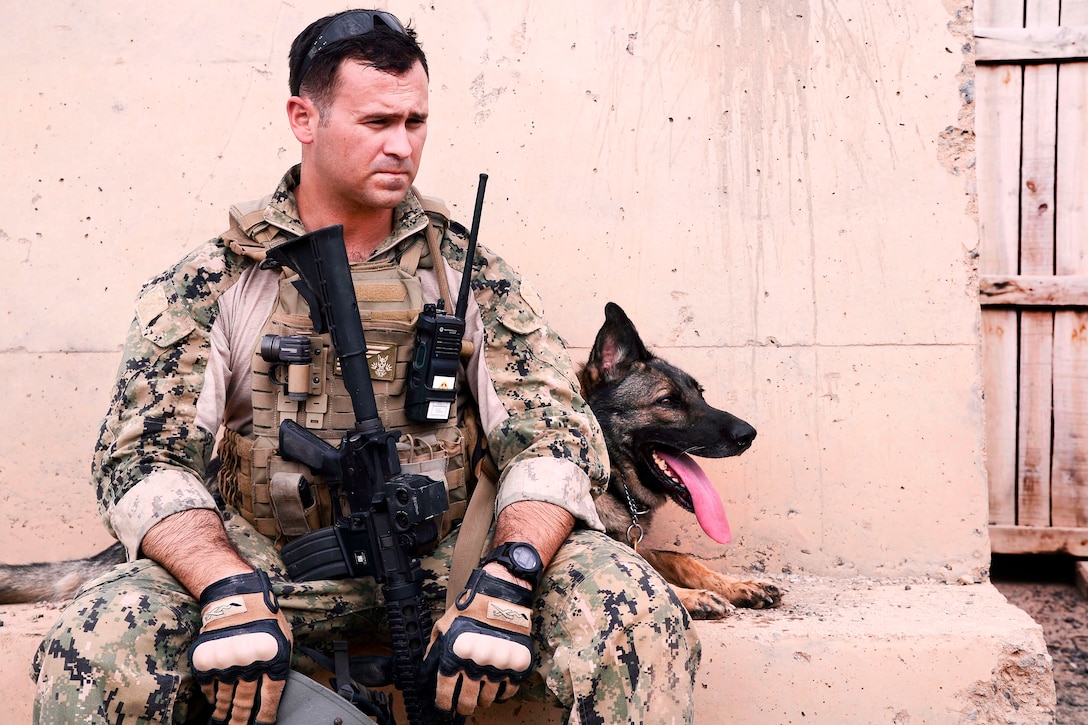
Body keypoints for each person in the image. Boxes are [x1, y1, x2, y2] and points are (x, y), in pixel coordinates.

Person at [32, 9, 700, 724]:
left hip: (450, 563)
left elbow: (554, 441)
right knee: (101, 639)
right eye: (376, 122)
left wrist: (509, 574)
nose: (401, 146)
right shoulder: (218, 279)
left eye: (414, 122)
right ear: (304, 117)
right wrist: (223, 581)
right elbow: (143, 457)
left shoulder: (470, 274)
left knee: (633, 611)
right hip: (263, 567)